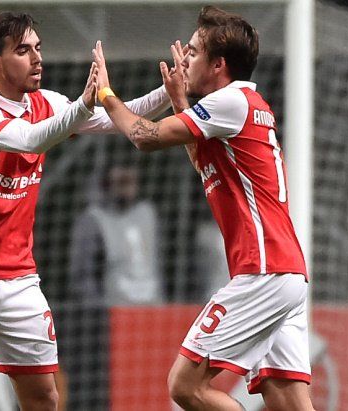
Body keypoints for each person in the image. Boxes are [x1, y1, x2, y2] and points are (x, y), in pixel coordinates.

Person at [0, 11, 171, 411]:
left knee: (45, 397)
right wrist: (83, 103)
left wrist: (169, 91)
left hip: (19, 281)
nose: (37, 58)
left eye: (38, 48)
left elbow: (116, 119)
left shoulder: (46, 102)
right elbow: (31, 139)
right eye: (22, 50)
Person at [91, 6, 315, 411]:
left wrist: (106, 94)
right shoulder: (241, 105)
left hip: (263, 272)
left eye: (193, 52)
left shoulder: (231, 102)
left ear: (218, 65)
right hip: (286, 274)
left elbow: (145, 136)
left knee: (185, 386)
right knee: (289, 402)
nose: (184, 60)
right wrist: (180, 100)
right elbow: (203, 162)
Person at [63, 164, 163, 408]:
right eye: (121, 181)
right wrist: (102, 312)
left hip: (153, 317)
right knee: (117, 390)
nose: (127, 186)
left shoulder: (147, 214)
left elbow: (158, 263)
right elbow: (81, 275)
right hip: (114, 320)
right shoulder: (93, 220)